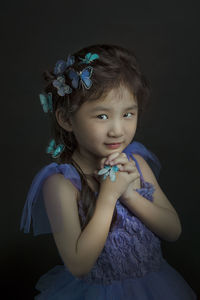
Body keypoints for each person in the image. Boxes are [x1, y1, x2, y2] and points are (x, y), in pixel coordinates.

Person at [20, 44, 197, 299]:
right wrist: (109, 195)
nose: (117, 130)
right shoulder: (61, 184)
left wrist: (129, 195)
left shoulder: (136, 163)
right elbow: (79, 265)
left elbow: (173, 230)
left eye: (128, 114)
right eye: (102, 116)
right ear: (67, 119)